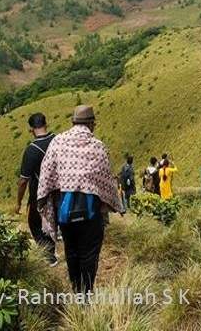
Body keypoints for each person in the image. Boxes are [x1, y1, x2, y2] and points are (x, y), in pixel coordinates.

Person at [36, 105, 121, 294]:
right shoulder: (98, 146)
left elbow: (46, 175)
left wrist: (42, 201)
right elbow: (106, 179)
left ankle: (76, 289)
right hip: (91, 213)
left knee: (71, 251)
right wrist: (117, 205)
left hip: (65, 211)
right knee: (89, 254)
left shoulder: (57, 142)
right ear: (91, 124)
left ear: (73, 122)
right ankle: (87, 292)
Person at [15, 112, 57, 266]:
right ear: (46, 124)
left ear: (31, 129)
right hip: (61, 190)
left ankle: (49, 256)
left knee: (35, 224)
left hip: (40, 195)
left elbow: (23, 181)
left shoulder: (31, 150)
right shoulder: (57, 141)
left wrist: (18, 202)